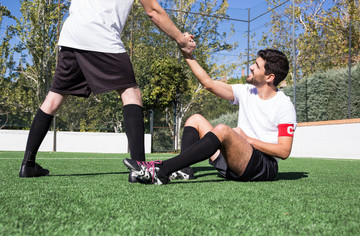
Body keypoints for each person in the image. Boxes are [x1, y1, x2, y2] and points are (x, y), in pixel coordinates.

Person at [19, 0, 196, 178]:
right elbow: (154, 12)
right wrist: (181, 40)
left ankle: (28, 164)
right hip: (99, 33)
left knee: (53, 99)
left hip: (72, 35)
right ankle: (141, 169)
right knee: (131, 93)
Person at [123, 48, 297, 185]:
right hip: (234, 163)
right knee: (195, 119)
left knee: (223, 130)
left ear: (269, 77)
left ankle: (162, 169)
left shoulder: (284, 105)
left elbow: (283, 151)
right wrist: (187, 55)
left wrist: (247, 139)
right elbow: (208, 84)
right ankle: (184, 170)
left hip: (261, 167)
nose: (251, 66)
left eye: (257, 66)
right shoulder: (246, 91)